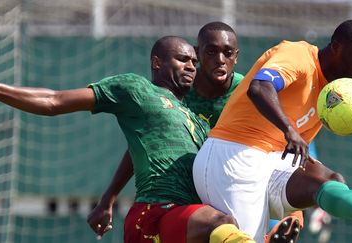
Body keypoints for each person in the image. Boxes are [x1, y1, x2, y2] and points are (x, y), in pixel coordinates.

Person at [0, 36, 256, 243]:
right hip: (155, 215)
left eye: (194, 62)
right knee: (220, 222)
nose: (191, 66)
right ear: (156, 62)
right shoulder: (137, 89)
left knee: (225, 223)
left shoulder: (193, 118)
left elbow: (137, 148)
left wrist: (107, 199)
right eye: (183, 59)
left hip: (185, 222)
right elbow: (53, 100)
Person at [193, 19, 352, 243]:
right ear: (336, 47)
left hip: (271, 160)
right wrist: (289, 130)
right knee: (245, 240)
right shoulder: (298, 55)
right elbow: (259, 88)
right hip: (232, 157)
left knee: (327, 179)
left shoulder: (333, 93)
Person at [87, 21, 300, 242]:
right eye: (211, 52)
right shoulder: (178, 90)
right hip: (177, 196)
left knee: (230, 227)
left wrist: (291, 212)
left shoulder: (247, 94)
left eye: (227, 53)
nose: (220, 60)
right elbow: (146, 139)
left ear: (236, 57)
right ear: (198, 54)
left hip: (228, 183)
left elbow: (274, 149)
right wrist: (108, 198)